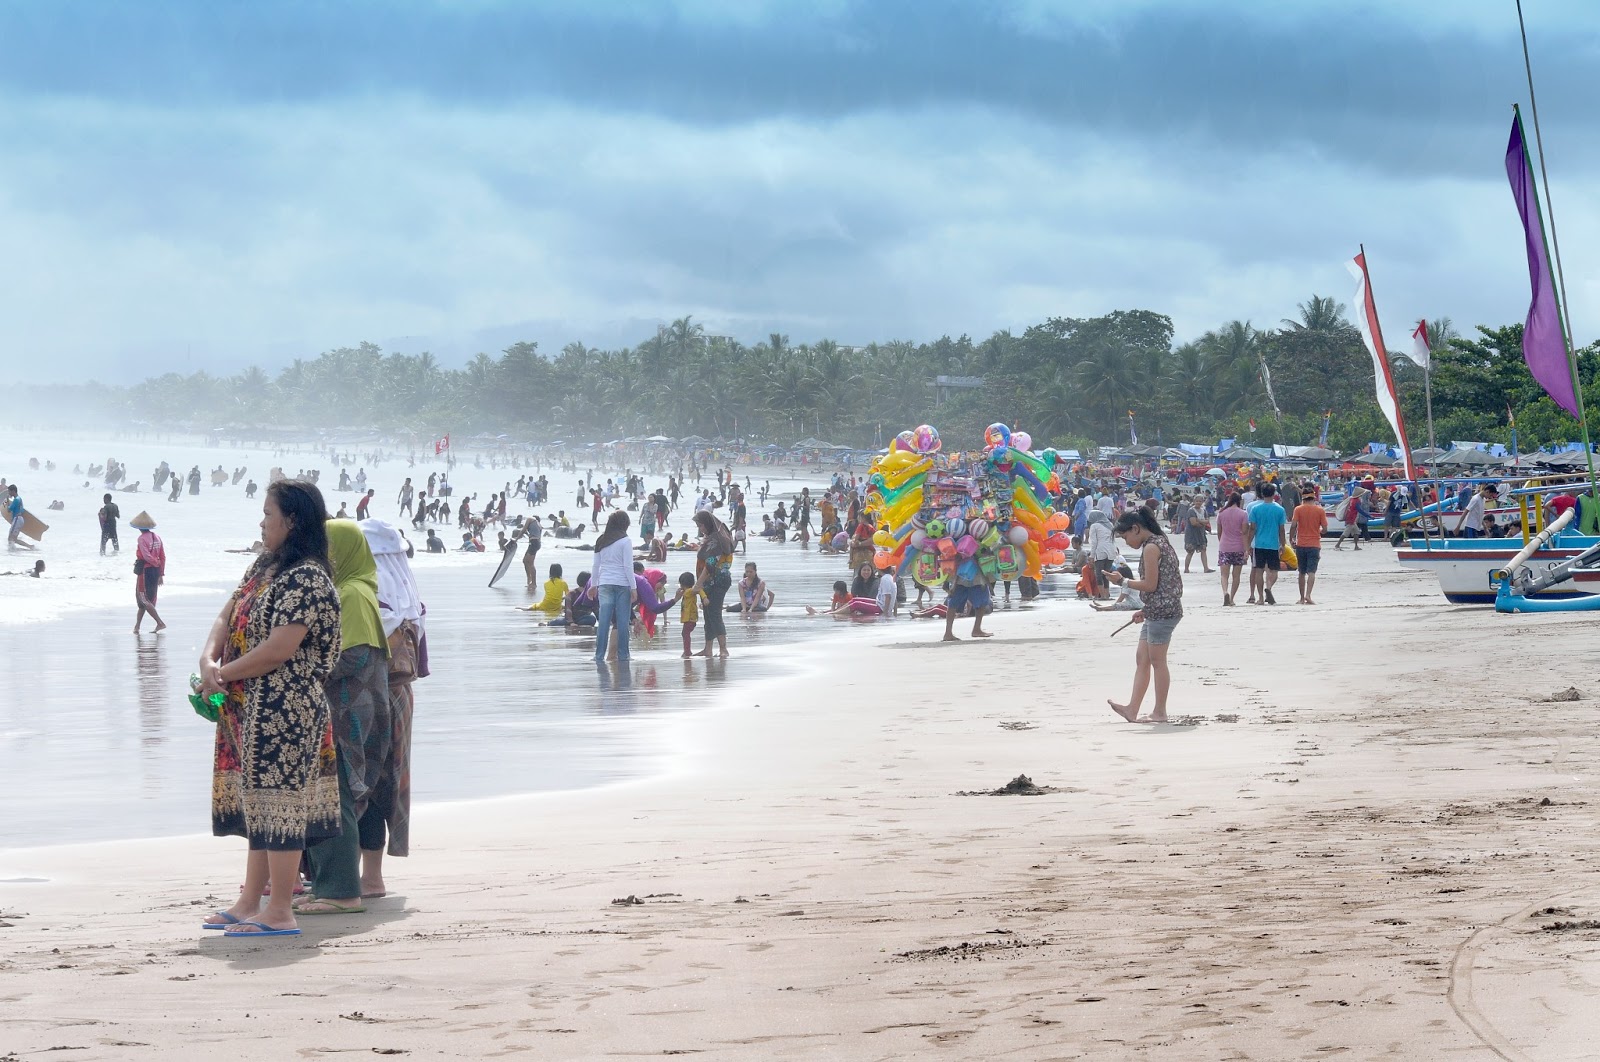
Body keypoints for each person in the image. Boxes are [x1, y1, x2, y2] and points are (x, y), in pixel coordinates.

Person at [198, 480, 342, 937]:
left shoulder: (308, 578)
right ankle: (249, 902)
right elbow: (226, 614)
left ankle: (280, 909)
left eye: (267, 514)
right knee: (255, 802)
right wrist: (208, 660)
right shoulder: (264, 566)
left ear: (292, 520)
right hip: (247, 704)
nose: (261, 522)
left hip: (285, 707)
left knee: (278, 802)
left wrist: (224, 673)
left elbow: (281, 648)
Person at [299, 520, 392, 917]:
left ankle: (337, 889)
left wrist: (297, 668)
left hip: (351, 709)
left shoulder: (352, 593)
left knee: (341, 794)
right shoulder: (359, 588)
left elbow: (351, 655)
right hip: (360, 705)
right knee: (352, 795)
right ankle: (334, 884)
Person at [357, 519, 428, 901]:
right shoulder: (404, 588)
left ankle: (362, 877)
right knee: (388, 781)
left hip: (367, 695)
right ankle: (373, 876)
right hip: (400, 696)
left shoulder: (368, 588)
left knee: (361, 781)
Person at [1106, 508, 1184, 724]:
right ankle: (1132, 709)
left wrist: (1122, 581)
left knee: (1158, 661)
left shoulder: (1151, 547)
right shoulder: (1159, 542)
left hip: (1164, 611)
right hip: (1158, 609)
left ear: (1136, 529)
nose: (1127, 541)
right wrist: (1146, 609)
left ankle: (1160, 712)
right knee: (1143, 659)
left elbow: (1150, 585)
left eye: (1125, 536)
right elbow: (1162, 585)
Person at [590, 511, 635, 666]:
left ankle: (599, 655)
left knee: (603, 621)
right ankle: (623, 655)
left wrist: (593, 585)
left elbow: (596, 565)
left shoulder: (601, 540)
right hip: (622, 584)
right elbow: (628, 566)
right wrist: (634, 587)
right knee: (622, 622)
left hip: (605, 584)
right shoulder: (625, 541)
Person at [691, 510, 734, 658]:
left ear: (707, 524)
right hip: (711, 582)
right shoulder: (713, 537)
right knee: (708, 615)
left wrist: (698, 584)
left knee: (714, 614)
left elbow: (710, 565)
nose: (700, 528)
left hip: (718, 581)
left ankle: (723, 649)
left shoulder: (716, 540)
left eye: (701, 525)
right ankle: (707, 649)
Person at [1245, 482, 1289, 606]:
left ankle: (1260, 598)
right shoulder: (1280, 509)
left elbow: (1252, 528)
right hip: (1273, 544)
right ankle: (1268, 587)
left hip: (1259, 544)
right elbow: (1281, 529)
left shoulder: (1255, 509)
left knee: (1259, 570)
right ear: (1274, 494)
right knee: (1274, 570)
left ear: (1262, 494)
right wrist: (1283, 544)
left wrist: (1248, 544)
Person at [131, 512, 166, 633]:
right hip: (155, 571)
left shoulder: (141, 539)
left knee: (143, 599)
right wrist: (161, 573)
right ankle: (137, 627)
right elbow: (163, 556)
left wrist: (154, 563)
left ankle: (160, 623)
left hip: (145, 571)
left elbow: (146, 556)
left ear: (139, 527)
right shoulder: (157, 537)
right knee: (145, 600)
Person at [1292, 489, 1329, 605]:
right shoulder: (1320, 510)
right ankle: (1309, 595)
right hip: (1314, 544)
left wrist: (1291, 538)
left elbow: (1293, 525)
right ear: (1314, 498)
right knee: (1312, 571)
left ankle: (1302, 598)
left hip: (1301, 543)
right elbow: (1325, 530)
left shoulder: (1298, 509)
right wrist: (1319, 531)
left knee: (1301, 572)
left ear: (1303, 498)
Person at [1216, 492, 1248, 606]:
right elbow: (1244, 533)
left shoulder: (1221, 513)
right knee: (1236, 576)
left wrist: (1222, 542)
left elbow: (1219, 533)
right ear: (1239, 501)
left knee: (1224, 575)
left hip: (1225, 546)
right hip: (1239, 546)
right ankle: (1232, 598)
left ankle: (1225, 592)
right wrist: (1246, 549)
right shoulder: (1243, 514)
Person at [1085, 509, 1117, 600]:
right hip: (1111, 551)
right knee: (1107, 574)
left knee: (1099, 574)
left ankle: (1102, 596)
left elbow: (1094, 542)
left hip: (1100, 551)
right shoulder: (1110, 525)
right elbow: (1113, 539)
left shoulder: (1094, 526)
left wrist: (1091, 556)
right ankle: (1107, 595)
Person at [1177, 494, 1212, 573]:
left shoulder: (1204, 510)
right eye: (1197, 501)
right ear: (1194, 501)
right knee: (1190, 551)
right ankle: (1186, 569)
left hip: (1201, 534)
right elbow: (1193, 523)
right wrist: (1202, 522)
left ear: (1202, 502)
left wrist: (1199, 521)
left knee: (1203, 550)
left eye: (1200, 501)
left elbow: (1207, 521)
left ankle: (1206, 568)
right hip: (1191, 535)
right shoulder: (1191, 511)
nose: (1198, 503)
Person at [676, 571, 703, 657]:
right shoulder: (687, 591)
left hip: (690, 617)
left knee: (685, 633)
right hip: (688, 617)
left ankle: (687, 651)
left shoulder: (690, 591)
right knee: (685, 633)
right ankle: (687, 651)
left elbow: (699, 590)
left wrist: (704, 598)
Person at [521, 516, 542, 588]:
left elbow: (523, 530)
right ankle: (529, 579)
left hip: (534, 543)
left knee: (531, 563)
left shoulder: (530, 519)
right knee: (525, 561)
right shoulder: (538, 526)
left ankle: (534, 583)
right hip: (535, 543)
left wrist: (516, 539)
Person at [6, 484, 25, 549]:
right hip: (20, 519)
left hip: (17, 519)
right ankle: (30, 547)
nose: (9, 493)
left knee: (10, 538)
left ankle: (11, 552)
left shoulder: (16, 500)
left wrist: (8, 501)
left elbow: (8, 510)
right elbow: (22, 510)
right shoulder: (20, 499)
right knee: (13, 539)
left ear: (13, 491)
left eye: (9, 491)